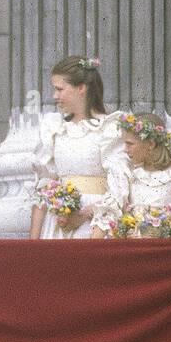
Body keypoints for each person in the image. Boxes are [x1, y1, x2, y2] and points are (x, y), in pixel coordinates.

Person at [26, 56, 124, 239]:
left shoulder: (110, 128)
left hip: (97, 223)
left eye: (60, 89)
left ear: (81, 88)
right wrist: (33, 242)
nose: (55, 96)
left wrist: (83, 215)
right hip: (58, 225)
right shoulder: (54, 128)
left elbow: (120, 189)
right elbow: (43, 186)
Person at [91, 113, 171, 241]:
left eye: (130, 144)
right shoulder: (126, 172)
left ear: (151, 144)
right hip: (133, 250)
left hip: (166, 251)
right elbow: (109, 211)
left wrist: (159, 230)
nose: (125, 149)